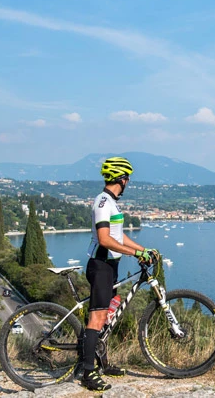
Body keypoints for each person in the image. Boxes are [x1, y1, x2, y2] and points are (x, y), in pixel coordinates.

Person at [81, 156, 159, 392]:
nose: (128, 183)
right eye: (127, 179)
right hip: (101, 266)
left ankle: (100, 364)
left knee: (105, 317)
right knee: (97, 319)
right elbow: (105, 240)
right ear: (121, 179)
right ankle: (87, 372)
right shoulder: (103, 203)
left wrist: (143, 250)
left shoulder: (112, 203)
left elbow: (118, 236)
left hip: (109, 266)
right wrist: (135, 255)